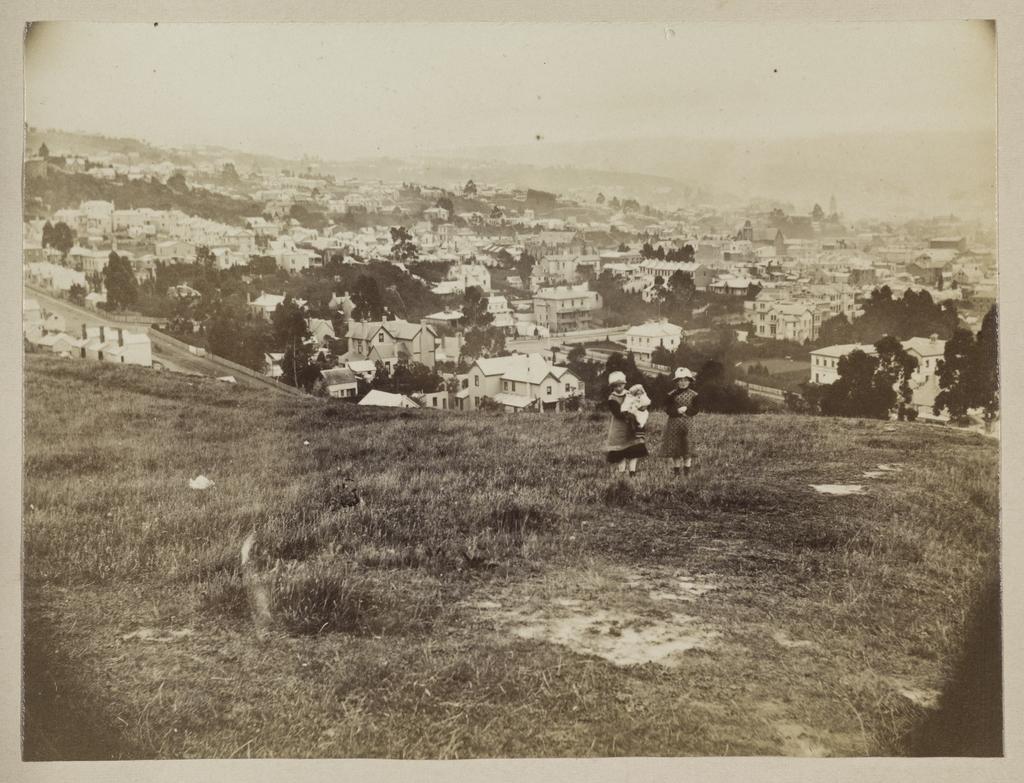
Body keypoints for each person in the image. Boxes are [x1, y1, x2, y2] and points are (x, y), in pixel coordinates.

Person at [604, 371, 648, 477]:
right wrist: (629, 414)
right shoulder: (612, 399)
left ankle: (632, 472)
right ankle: (622, 472)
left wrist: (641, 407)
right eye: (616, 386)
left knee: (634, 449)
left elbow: (640, 402)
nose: (619, 388)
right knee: (620, 452)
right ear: (612, 387)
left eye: (621, 385)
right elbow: (618, 414)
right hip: (619, 427)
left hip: (631, 427)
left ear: (624, 384)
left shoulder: (630, 394)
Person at [660, 367, 699, 476]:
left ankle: (687, 470)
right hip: (674, 424)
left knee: (688, 447)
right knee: (675, 448)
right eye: (680, 380)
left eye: (685, 380)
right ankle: (676, 472)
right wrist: (676, 411)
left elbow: (696, 409)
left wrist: (688, 409)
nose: (683, 383)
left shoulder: (694, 395)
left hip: (688, 425)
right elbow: (667, 409)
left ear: (690, 381)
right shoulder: (671, 394)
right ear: (676, 381)